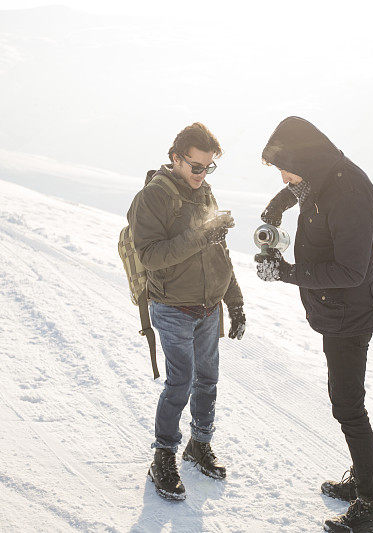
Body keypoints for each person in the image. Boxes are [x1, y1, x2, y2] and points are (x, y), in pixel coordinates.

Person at [255, 116, 373, 532]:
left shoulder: (350, 192)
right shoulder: (323, 176)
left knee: (348, 406)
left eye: (286, 169)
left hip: (350, 315)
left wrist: (286, 273)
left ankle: (371, 506)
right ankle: (362, 481)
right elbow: (307, 187)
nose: (284, 177)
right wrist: (280, 203)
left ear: (306, 160)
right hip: (335, 311)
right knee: (343, 402)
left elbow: (351, 271)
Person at [127, 122, 245, 501]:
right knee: (181, 380)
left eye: (208, 168)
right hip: (172, 308)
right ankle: (163, 454)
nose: (202, 175)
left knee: (207, 379)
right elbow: (151, 256)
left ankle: (199, 445)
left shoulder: (204, 191)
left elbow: (218, 253)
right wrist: (201, 236)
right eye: (196, 167)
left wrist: (235, 300)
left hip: (208, 308)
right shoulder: (152, 199)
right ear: (176, 159)